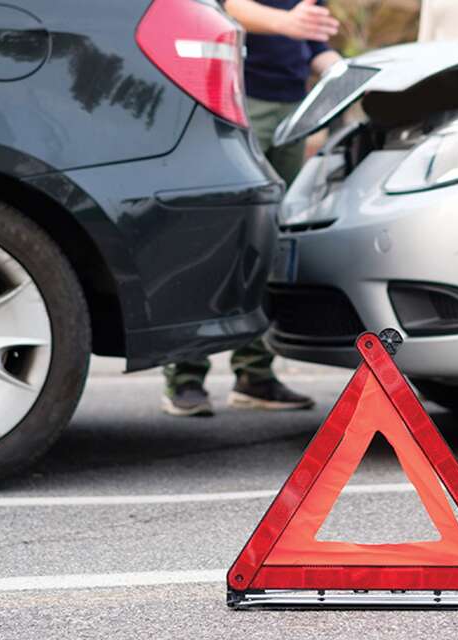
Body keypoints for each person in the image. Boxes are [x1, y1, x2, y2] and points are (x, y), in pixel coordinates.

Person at [160, 0, 343, 417]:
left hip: (293, 107)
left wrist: (345, 72)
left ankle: (254, 374)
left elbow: (313, 43)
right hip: (236, 98)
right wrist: (285, 22)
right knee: (216, 237)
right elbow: (222, 7)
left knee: (270, 241)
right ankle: (185, 375)